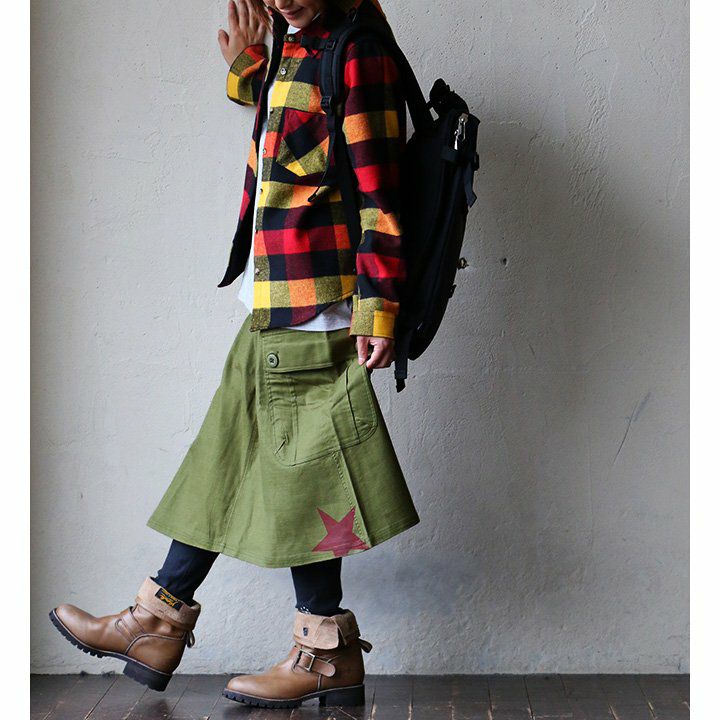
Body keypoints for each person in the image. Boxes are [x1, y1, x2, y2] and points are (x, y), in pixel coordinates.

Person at [49, 0, 418, 709]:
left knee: (304, 478)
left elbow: (382, 194)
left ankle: (318, 650)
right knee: (226, 455)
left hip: (317, 309)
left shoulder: (357, 53)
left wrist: (378, 309)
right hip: (274, 298)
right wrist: (251, 69)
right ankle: (159, 620)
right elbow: (297, 133)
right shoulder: (298, 41)